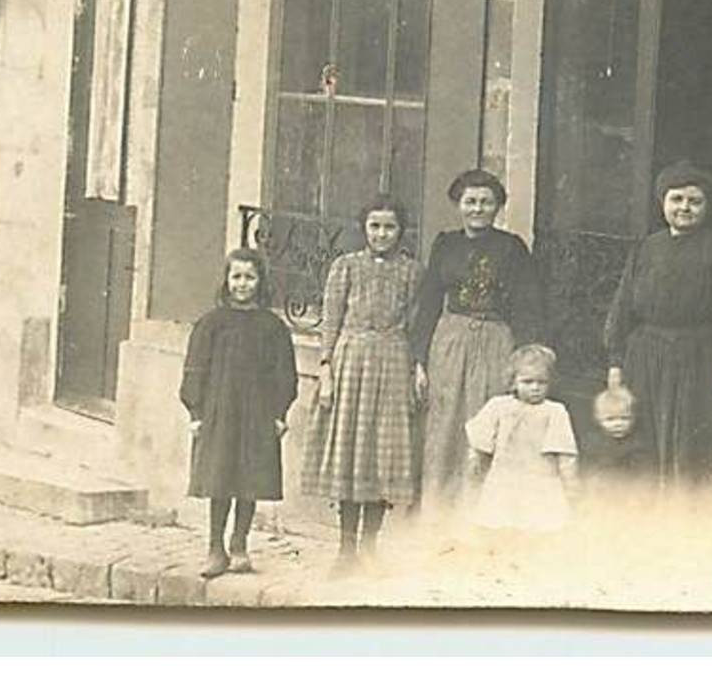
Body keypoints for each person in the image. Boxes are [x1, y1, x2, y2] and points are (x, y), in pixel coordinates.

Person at [300, 194, 424, 575]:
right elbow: (331, 321)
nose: (382, 234)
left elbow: (418, 322)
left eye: (389, 227)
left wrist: (417, 366)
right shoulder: (346, 267)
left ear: (401, 231)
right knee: (351, 454)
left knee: (382, 455)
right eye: (375, 226)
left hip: (393, 360)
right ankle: (345, 549)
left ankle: (371, 547)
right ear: (364, 228)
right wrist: (325, 370)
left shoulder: (412, 271)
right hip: (351, 362)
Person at [412, 168, 545, 510]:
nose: (477, 209)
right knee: (443, 425)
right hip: (450, 340)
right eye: (470, 201)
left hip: (495, 340)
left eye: (486, 202)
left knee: (485, 422)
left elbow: (528, 304)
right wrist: (419, 360)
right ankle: (436, 511)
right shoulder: (446, 244)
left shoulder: (512, 248)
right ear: (459, 204)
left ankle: (477, 512)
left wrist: (525, 359)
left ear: (497, 207)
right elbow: (428, 302)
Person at [602, 161, 712, 489]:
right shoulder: (647, 247)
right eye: (676, 199)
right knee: (643, 438)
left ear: (707, 207)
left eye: (695, 201)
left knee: (688, 444)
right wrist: (615, 363)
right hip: (646, 354)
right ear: (662, 202)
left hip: (695, 355)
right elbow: (623, 305)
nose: (685, 208)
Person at [178, 248, 298, 579]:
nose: (242, 284)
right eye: (236, 277)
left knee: (250, 479)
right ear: (227, 280)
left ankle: (240, 543)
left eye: (250, 277)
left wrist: (279, 413)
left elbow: (284, 373)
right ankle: (215, 548)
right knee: (220, 478)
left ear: (260, 282)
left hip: (258, 414)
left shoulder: (272, 327)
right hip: (221, 411)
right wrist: (196, 411)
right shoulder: (212, 323)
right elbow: (195, 369)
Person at [464, 344, 579, 534]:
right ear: (513, 382)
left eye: (541, 382)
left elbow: (566, 456)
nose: (535, 388)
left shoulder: (554, 411)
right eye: (527, 381)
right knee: (501, 531)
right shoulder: (498, 407)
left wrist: (571, 489)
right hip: (504, 481)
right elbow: (478, 442)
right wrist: (474, 465)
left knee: (539, 533)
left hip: (541, 482)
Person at [580, 385, 655, 516]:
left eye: (624, 418)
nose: (618, 424)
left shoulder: (637, 444)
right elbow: (588, 471)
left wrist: (639, 496)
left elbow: (644, 475)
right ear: (598, 419)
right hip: (601, 497)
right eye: (610, 419)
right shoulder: (592, 442)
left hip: (630, 498)